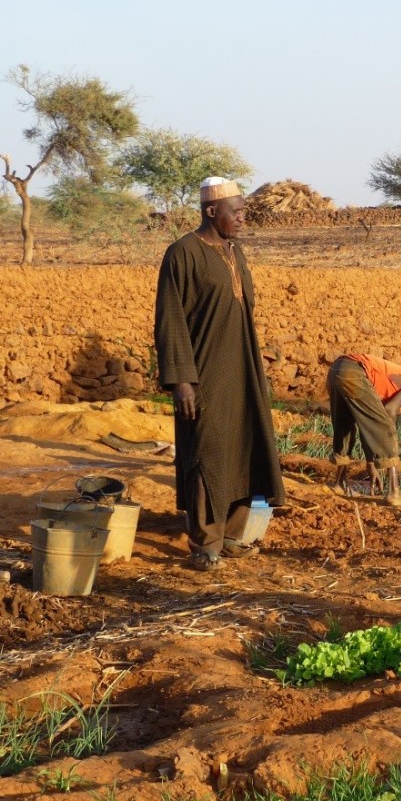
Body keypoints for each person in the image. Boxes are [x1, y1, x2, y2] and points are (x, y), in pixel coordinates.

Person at [154, 177, 285, 571]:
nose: (243, 218)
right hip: (205, 373)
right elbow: (170, 320)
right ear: (212, 212)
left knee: (244, 446)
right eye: (237, 212)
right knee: (207, 454)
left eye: (244, 211)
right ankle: (205, 543)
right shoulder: (182, 254)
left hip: (242, 370)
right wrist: (181, 380)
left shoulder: (235, 252)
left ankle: (232, 534)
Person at [327, 353, 401, 507]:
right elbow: (389, 412)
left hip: (337, 370)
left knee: (345, 425)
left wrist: (371, 463)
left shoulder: (400, 396)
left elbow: (367, 423)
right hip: (355, 370)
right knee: (388, 428)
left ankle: (339, 484)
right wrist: (382, 453)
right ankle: (394, 492)